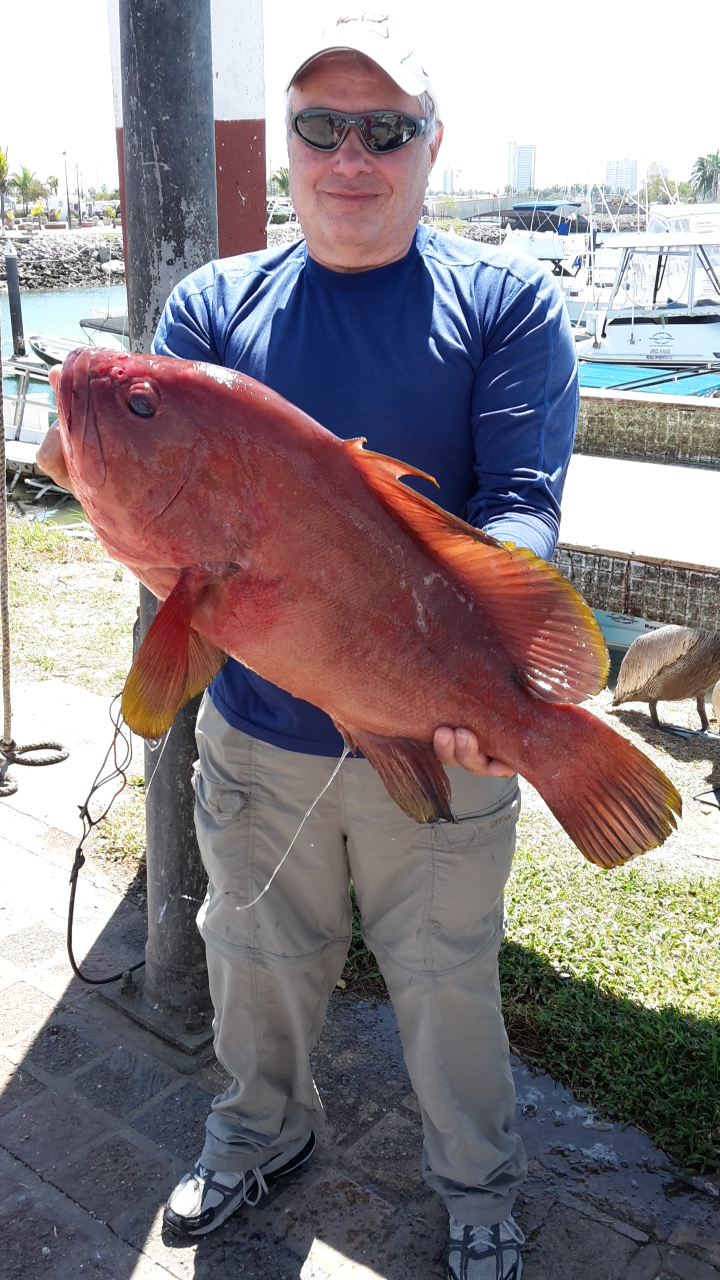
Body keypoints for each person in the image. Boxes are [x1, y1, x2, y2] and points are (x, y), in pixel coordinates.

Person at [39, 16, 578, 1279]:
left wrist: (490, 673)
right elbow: (173, 516)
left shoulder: (507, 302)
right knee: (253, 958)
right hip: (260, 738)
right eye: (322, 126)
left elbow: (519, 504)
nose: (352, 155)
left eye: (385, 129)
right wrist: (94, 468)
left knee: (448, 981)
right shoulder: (213, 306)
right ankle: (258, 1134)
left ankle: (478, 1188)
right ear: (288, 143)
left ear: (432, 145)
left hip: (445, 723)